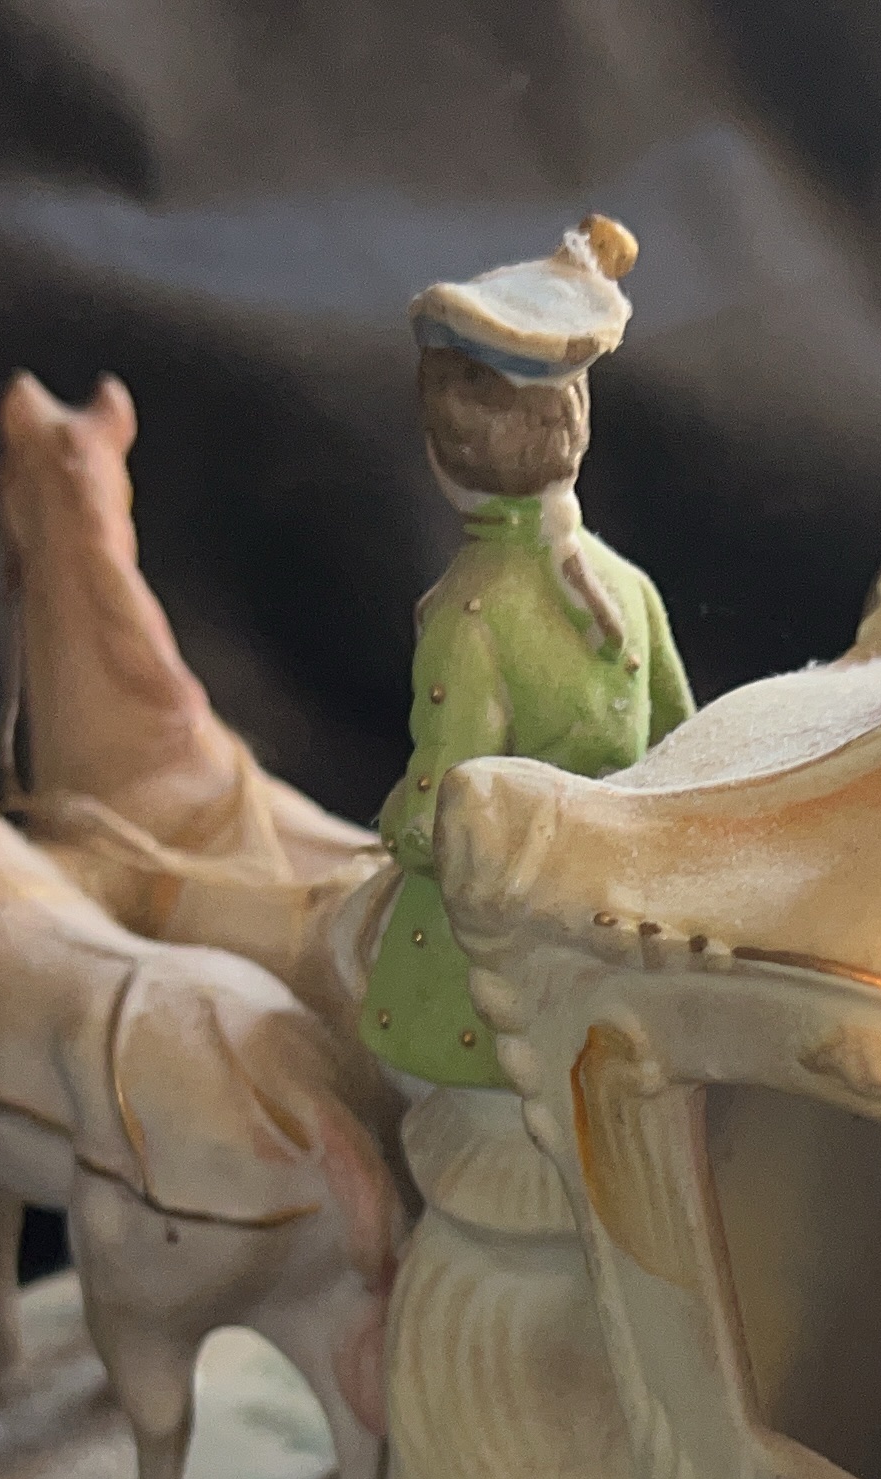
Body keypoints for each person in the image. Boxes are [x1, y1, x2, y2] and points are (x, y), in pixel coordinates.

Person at [359, 215, 692, 1088]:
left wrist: (394, 825)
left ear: (443, 450)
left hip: (510, 969)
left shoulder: (469, 614)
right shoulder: (630, 586)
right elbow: (682, 742)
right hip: (626, 923)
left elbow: (443, 819)